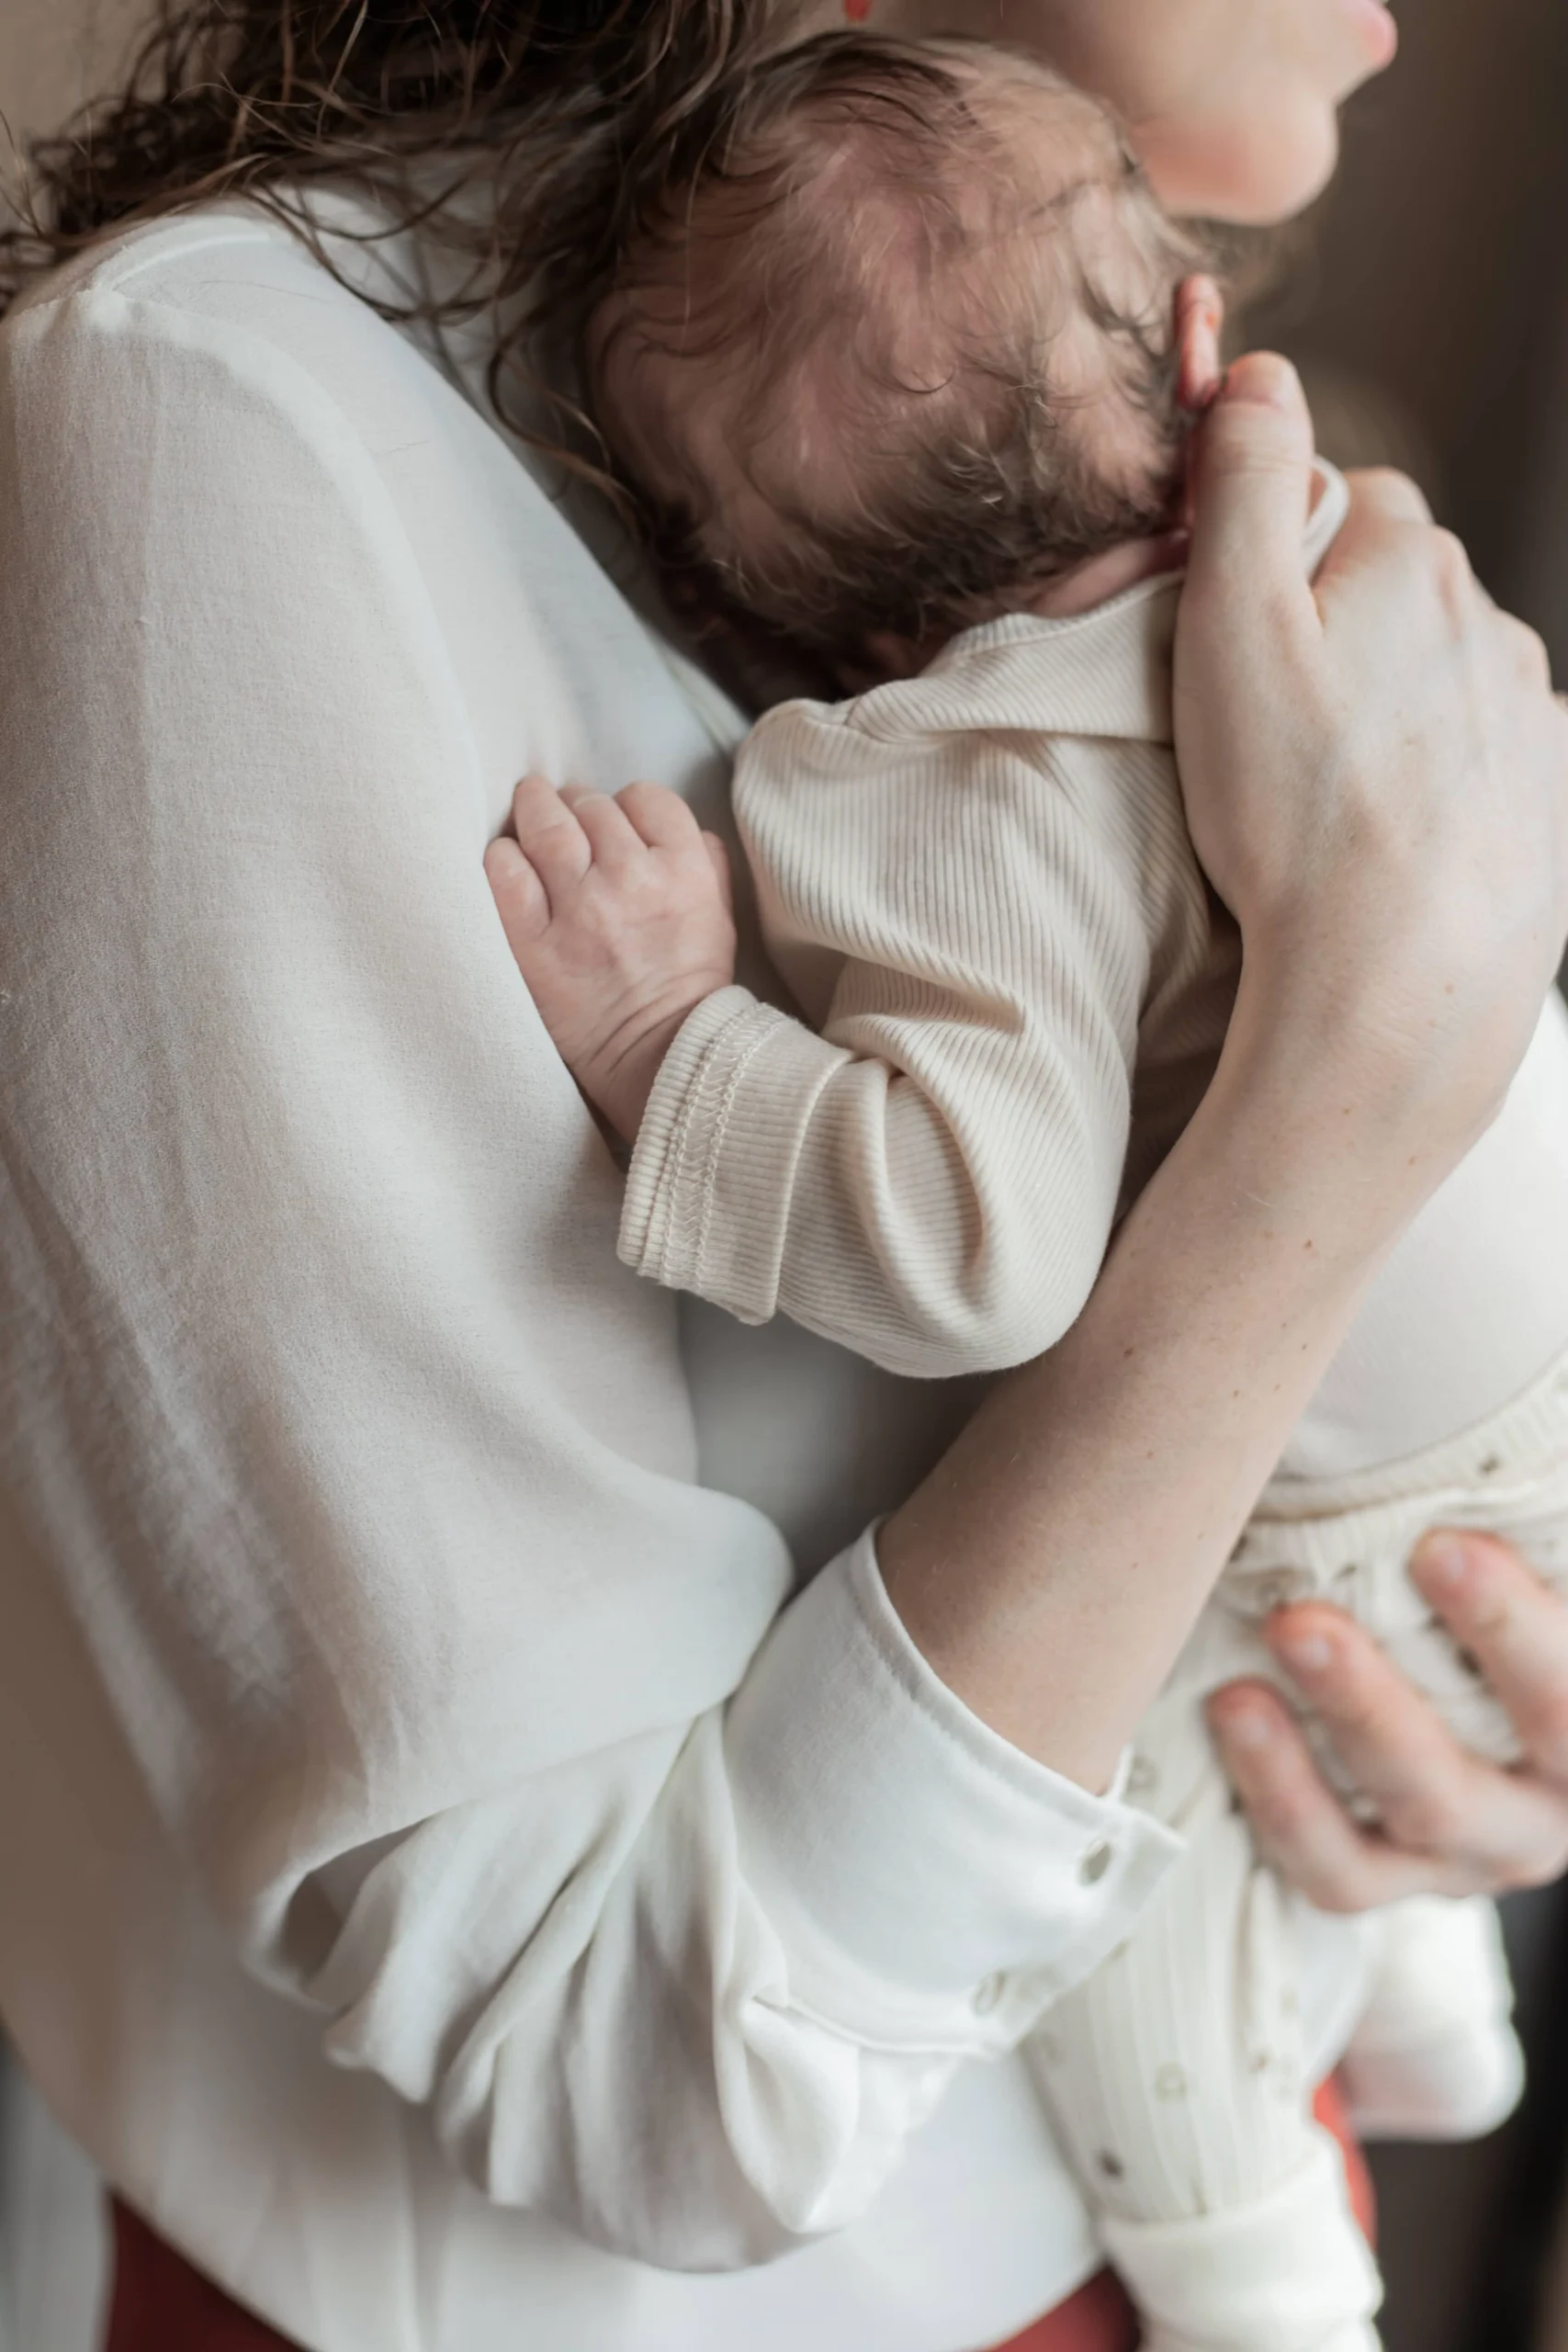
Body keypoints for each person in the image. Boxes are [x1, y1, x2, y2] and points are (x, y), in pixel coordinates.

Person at [0, 6, 1566, 2352]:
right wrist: (1337, 1111)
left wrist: (1447, 1692)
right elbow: (644, 2069)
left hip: (1201, 2073)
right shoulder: (227, 417)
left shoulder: (1030, 390)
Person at [487, 33, 1568, 2346]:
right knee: (1337, 1694)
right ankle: (1426, 2006)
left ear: (802, 624)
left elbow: (973, 1252)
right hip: (1508, 1397)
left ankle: (1263, 2277)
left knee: (1137, 1903)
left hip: (1399, 1477)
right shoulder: (1311, 589)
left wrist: (668, 1056)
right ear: (1192, 377)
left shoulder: (957, 770)